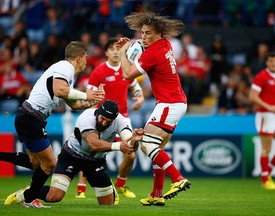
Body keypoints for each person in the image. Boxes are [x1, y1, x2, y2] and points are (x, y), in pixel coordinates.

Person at [3, 41, 105, 208]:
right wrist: (86, 94)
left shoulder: (66, 75)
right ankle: (29, 200)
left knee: (35, 163)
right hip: (31, 117)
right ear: (79, 58)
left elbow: (74, 105)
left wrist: (92, 100)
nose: (87, 61)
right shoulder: (65, 67)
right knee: (49, 163)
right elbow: (59, 91)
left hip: (28, 116)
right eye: (86, 57)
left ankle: (27, 196)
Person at [4, 100, 144, 206]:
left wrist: (134, 141)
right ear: (98, 113)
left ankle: (109, 191)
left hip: (96, 161)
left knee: (107, 204)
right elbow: (93, 144)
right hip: (71, 156)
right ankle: (28, 192)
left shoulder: (121, 121)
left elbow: (129, 145)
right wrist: (120, 145)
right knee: (55, 197)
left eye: (109, 121)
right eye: (103, 119)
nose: (105, 123)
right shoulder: (87, 117)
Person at [116, 11, 191, 206]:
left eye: (148, 33)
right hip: (174, 102)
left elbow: (127, 74)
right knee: (157, 147)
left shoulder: (153, 53)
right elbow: (142, 49)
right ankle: (156, 194)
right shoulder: (164, 44)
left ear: (158, 34)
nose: (144, 37)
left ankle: (177, 179)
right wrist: (133, 45)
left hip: (169, 103)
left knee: (147, 145)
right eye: (142, 33)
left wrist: (124, 52)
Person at [76, 38, 144, 199]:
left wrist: (140, 99)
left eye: (117, 49)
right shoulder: (99, 72)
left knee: (131, 153)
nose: (115, 52)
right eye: (112, 49)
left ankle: (121, 185)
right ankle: (81, 189)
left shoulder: (127, 70)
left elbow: (135, 87)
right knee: (88, 151)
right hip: (101, 119)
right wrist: (90, 114)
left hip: (123, 118)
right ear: (106, 52)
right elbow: (90, 96)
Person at [249, 53, 275, 190]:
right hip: (265, 115)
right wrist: (268, 106)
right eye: (271, 61)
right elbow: (252, 97)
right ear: (266, 63)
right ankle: (265, 180)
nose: (273, 64)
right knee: (267, 149)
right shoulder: (261, 77)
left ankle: (267, 172)